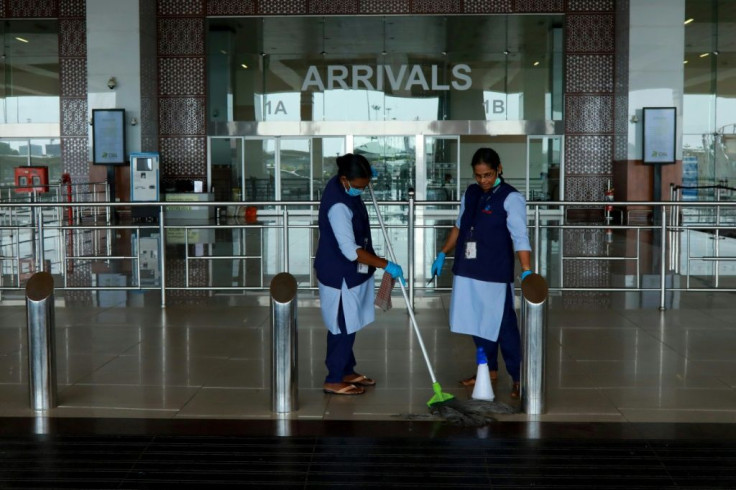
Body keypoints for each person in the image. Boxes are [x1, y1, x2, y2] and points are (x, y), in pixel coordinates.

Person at [430, 147, 532, 399]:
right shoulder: (472, 193)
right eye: (478, 176)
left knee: (504, 324)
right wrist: (443, 252)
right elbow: (459, 225)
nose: (483, 180)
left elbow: (520, 237)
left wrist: (527, 271)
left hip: (495, 270)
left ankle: (518, 376)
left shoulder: (511, 198)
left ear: (499, 169)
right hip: (468, 267)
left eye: (487, 175)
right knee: (476, 320)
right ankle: (488, 369)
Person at [314, 153, 406, 396]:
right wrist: (386, 264)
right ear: (344, 180)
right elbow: (350, 250)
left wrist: (366, 173)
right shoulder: (338, 206)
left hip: (352, 272)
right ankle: (333, 379)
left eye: (366, 186)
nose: (362, 190)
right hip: (339, 272)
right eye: (358, 186)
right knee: (341, 325)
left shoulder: (344, 187)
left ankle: (346, 370)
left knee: (349, 322)